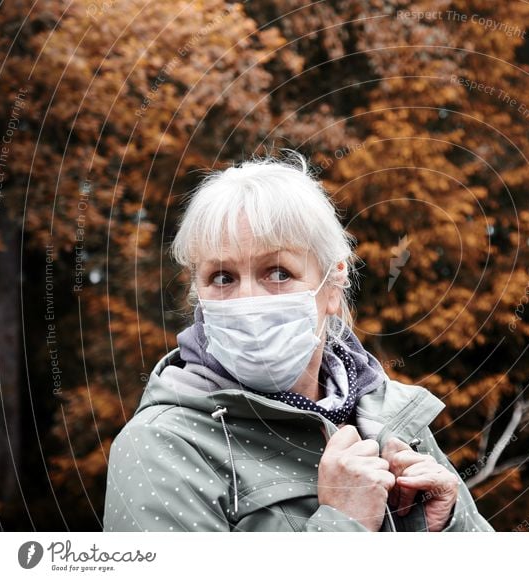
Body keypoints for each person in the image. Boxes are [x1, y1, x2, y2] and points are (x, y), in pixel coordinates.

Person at [102, 152, 494, 532]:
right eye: (222, 278)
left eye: (278, 272)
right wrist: (343, 526)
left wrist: (448, 525)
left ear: (333, 286)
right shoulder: (161, 444)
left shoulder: (391, 418)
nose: (248, 301)